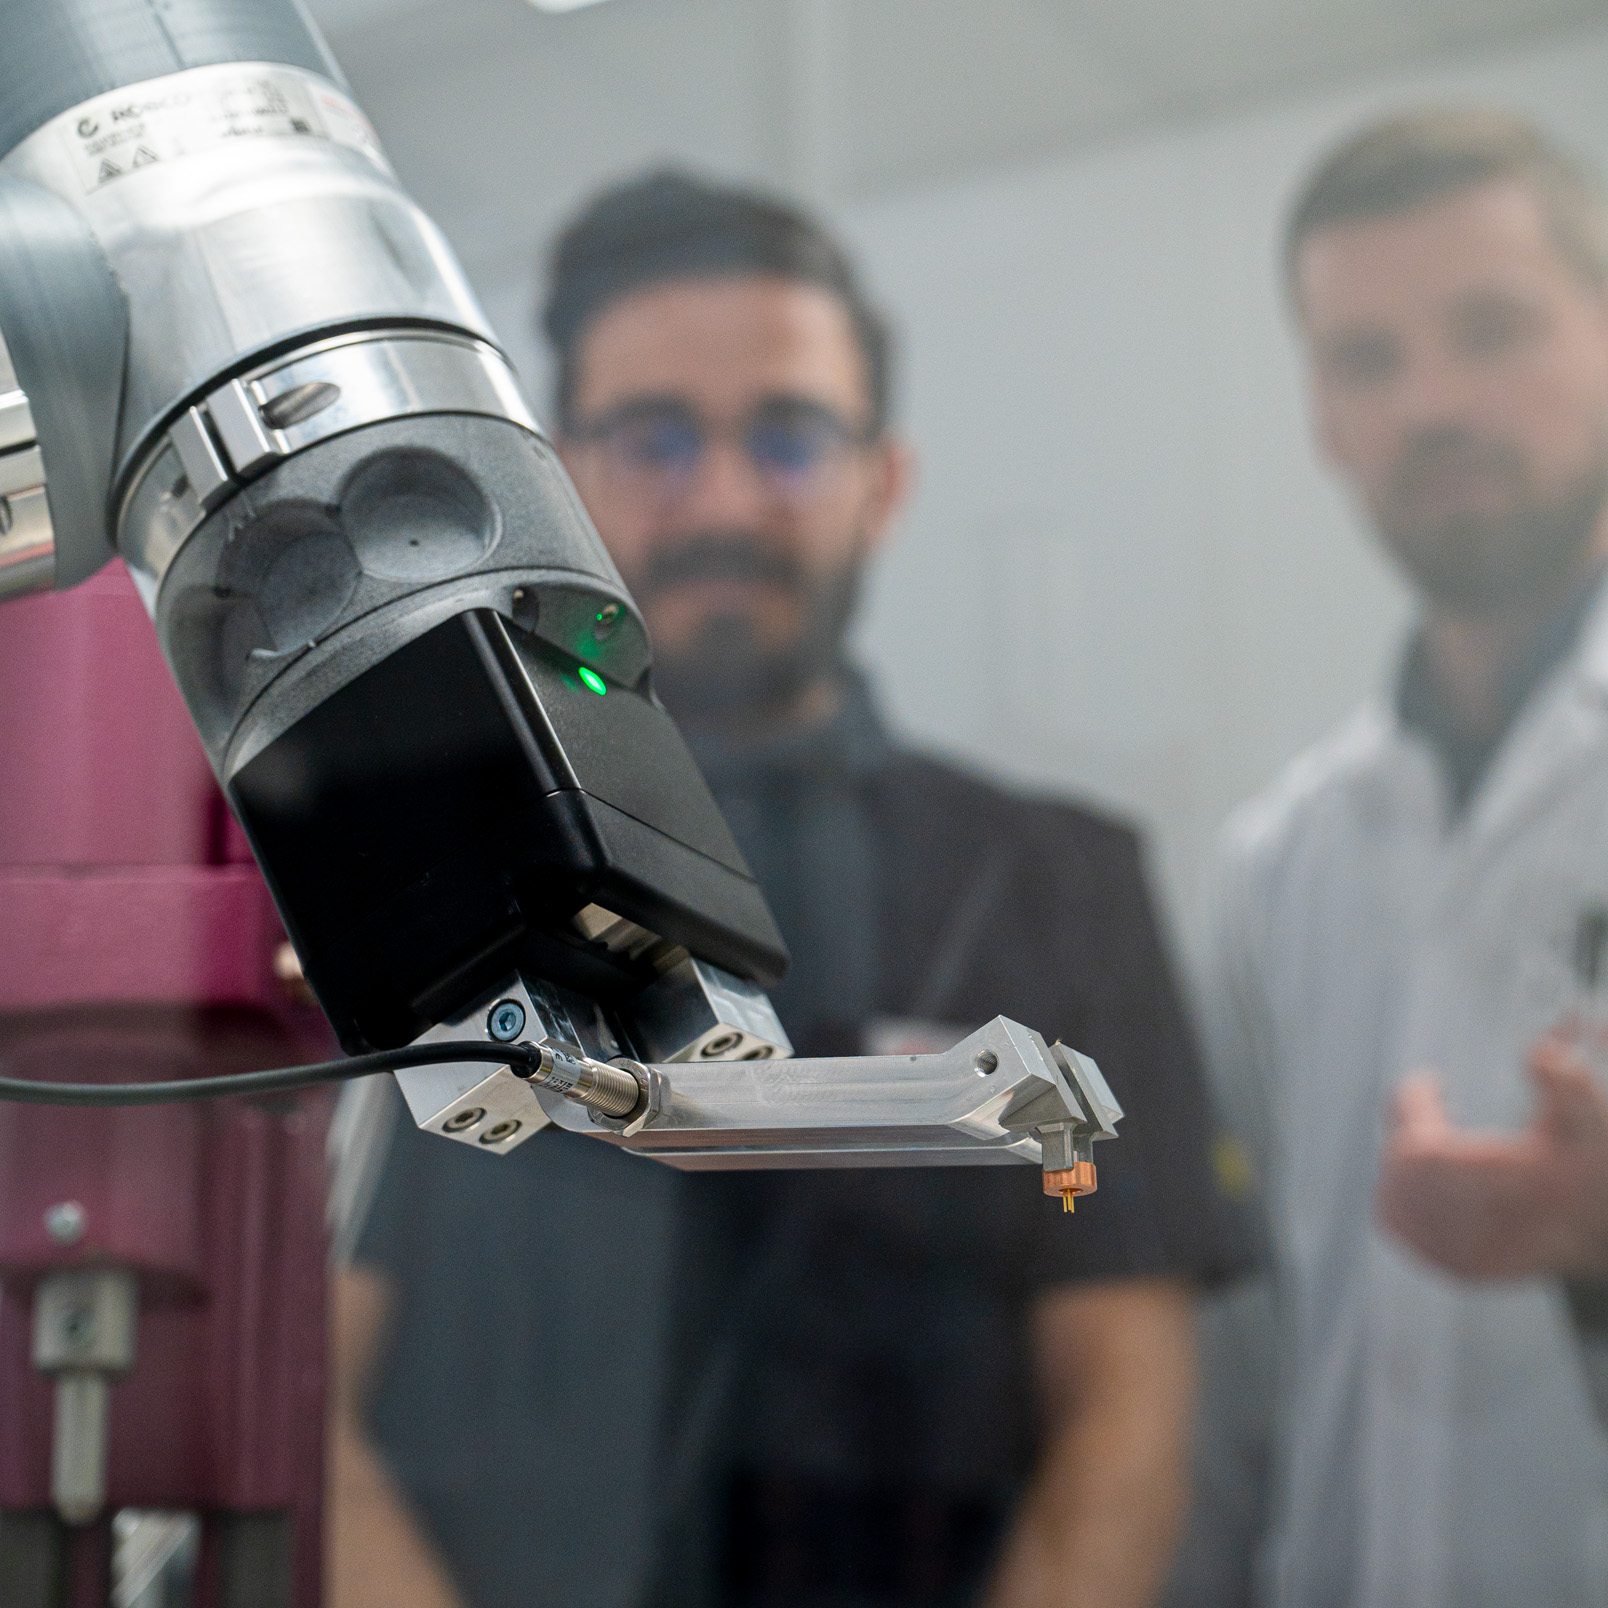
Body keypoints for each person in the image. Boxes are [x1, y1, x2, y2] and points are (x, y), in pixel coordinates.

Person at [328, 170, 1246, 1608]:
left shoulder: (1055, 887)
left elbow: (1124, 1418)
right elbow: (307, 1399)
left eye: (790, 438)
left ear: (887, 481)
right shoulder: (434, 881)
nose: (726, 500)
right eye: (655, 437)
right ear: (560, 481)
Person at [1192, 108, 1608, 1608]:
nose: (1432, 403)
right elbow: (1247, 1350)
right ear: (1323, 415)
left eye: (1491, 329)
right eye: (1368, 359)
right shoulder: (1279, 864)